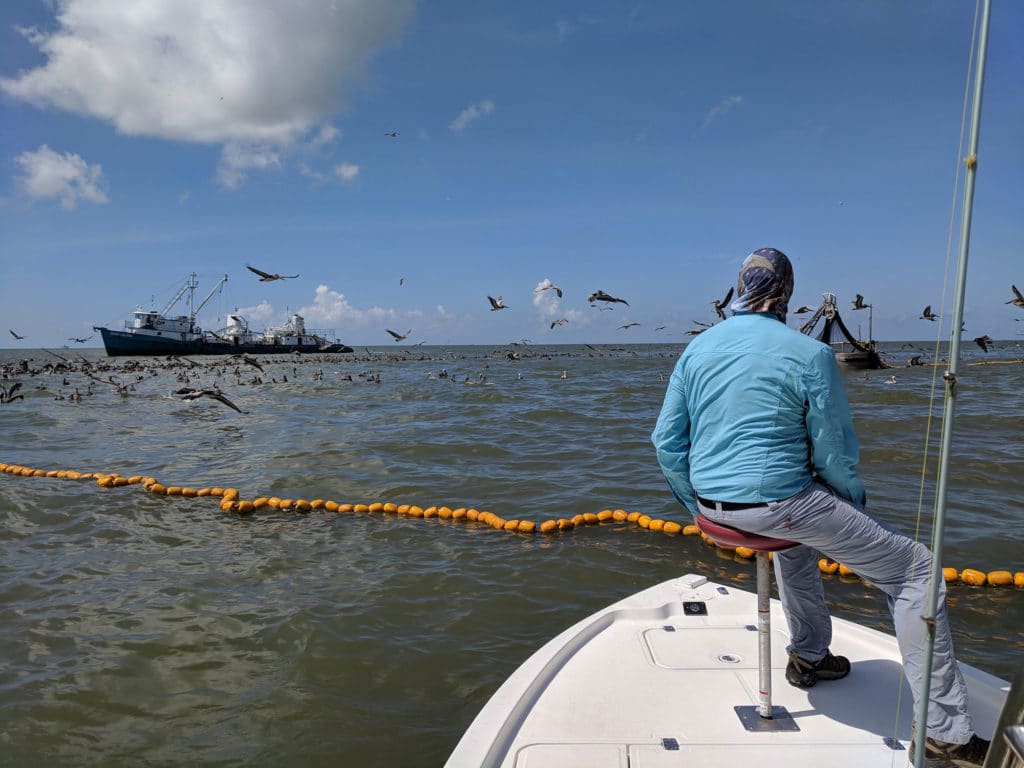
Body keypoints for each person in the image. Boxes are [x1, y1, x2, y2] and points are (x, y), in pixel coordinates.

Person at [651, 247, 989, 767]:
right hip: (780, 505)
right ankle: (947, 731)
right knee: (916, 570)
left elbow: (667, 444)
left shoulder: (696, 350)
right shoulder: (810, 354)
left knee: (800, 540)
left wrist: (695, 505)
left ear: (739, 287)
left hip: (712, 511)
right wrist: (852, 502)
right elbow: (833, 452)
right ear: (786, 292)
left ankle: (809, 655)